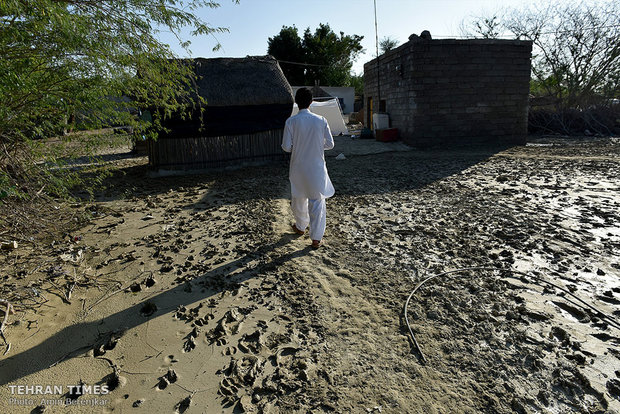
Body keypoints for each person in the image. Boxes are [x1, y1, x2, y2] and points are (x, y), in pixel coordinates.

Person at [282, 88, 335, 249]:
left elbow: (286, 147)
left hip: (298, 167)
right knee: (317, 201)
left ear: (296, 102)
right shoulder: (321, 120)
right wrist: (316, 146)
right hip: (316, 167)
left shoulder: (290, 121)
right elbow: (330, 144)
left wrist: (299, 147)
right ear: (311, 102)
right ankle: (316, 238)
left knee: (298, 198)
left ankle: (300, 226)